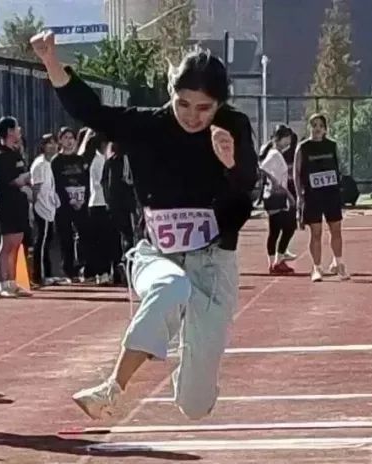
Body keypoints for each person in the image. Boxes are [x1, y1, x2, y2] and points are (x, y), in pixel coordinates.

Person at [31, 30, 256, 420]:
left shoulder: (232, 126)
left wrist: (233, 164)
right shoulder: (147, 125)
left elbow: (246, 188)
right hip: (156, 252)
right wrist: (52, 62)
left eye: (204, 108)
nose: (192, 116)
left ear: (219, 104)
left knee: (195, 405)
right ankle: (112, 386)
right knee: (171, 286)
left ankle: (191, 368)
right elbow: (92, 112)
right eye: (183, 104)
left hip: (213, 262)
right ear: (171, 93)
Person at [294, 114, 348, 282]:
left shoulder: (332, 146)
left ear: (325, 129)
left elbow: (340, 167)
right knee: (316, 233)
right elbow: (296, 173)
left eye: (320, 125)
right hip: (312, 195)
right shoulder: (303, 147)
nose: (317, 128)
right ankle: (317, 268)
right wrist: (299, 196)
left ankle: (339, 263)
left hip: (331, 193)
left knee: (336, 230)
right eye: (314, 125)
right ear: (309, 128)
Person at [0, 116, 33, 298]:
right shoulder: (0, 156)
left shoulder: (16, 154)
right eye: (16, 128)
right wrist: (26, 178)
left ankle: (13, 282)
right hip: (7, 205)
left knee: (17, 244)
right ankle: (3, 283)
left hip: (20, 204)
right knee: (7, 244)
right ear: (9, 131)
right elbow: (10, 180)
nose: (19, 131)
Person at [51, 126, 91, 283]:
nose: (69, 141)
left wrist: (83, 200)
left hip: (81, 202)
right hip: (64, 205)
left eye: (71, 138)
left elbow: (86, 180)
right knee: (65, 237)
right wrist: (69, 200)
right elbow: (57, 184)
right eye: (66, 138)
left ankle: (83, 266)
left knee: (83, 235)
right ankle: (68, 269)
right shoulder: (56, 161)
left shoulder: (80, 160)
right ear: (60, 140)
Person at [259, 124, 298, 275]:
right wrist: (274, 182)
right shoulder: (274, 154)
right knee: (279, 229)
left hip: (279, 196)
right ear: (279, 138)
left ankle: (278, 260)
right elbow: (262, 167)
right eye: (286, 137)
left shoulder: (277, 154)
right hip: (274, 196)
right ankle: (275, 262)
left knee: (286, 227)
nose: (289, 141)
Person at [80, 128, 114, 284]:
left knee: (102, 241)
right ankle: (102, 272)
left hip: (98, 203)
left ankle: (102, 271)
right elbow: (101, 182)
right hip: (99, 203)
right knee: (101, 241)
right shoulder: (98, 160)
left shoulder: (98, 159)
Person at [102, 140, 137, 285]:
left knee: (128, 237)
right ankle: (123, 268)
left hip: (127, 205)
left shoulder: (128, 159)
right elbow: (106, 183)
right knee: (126, 237)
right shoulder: (113, 162)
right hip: (121, 205)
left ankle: (126, 267)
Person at [29, 133, 62, 286]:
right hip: (41, 208)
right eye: (49, 143)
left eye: (55, 143)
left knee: (47, 240)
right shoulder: (40, 164)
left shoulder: (49, 163)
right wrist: (34, 206)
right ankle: (39, 275)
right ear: (43, 146)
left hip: (48, 207)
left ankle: (47, 273)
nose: (53, 146)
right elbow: (36, 188)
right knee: (41, 241)